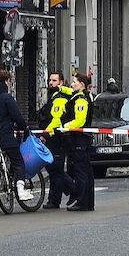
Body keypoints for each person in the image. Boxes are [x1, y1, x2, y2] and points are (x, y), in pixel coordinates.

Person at [0, 70, 33, 213]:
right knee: (18, 162)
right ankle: (20, 190)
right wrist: (24, 128)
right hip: (6, 137)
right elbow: (17, 116)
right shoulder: (5, 97)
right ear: (6, 81)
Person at [38, 71, 74, 209]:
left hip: (57, 138)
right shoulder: (53, 97)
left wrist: (45, 134)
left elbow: (56, 120)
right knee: (54, 169)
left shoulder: (59, 98)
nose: (51, 83)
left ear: (61, 83)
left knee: (55, 169)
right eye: (50, 80)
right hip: (54, 137)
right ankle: (55, 199)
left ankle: (72, 191)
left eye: (54, 80)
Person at [61, 73, 95, 211]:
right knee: (86, 170)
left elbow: (80, 121)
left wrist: (64, 127)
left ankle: (82, 202)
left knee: (80, 171)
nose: (72, 84)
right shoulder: (81, 95)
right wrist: (59, 88)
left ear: (81, 85)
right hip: (82, 138)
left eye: (74, 82)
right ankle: (87, 202)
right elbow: (68, 91)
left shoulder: (81, 100)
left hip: (80, 138)